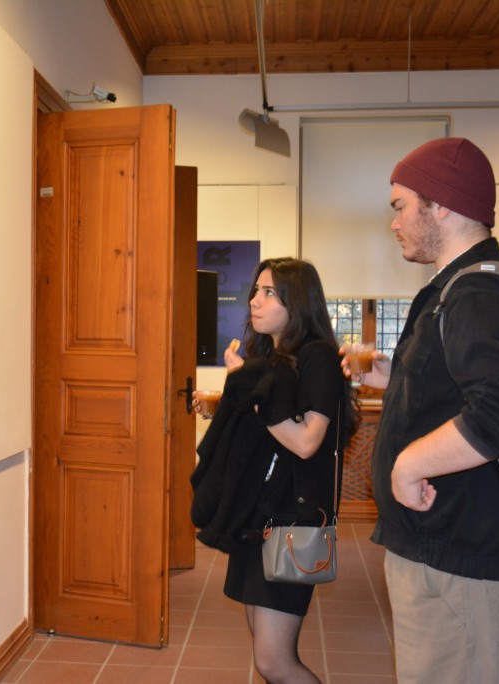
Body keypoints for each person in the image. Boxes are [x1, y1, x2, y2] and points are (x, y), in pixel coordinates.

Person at [343, 137, 499, 683]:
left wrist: (408, 465)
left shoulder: (479, 292)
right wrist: (395, 377)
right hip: (443, 550)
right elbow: (462, 392)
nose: (394, 223)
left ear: (441, 204)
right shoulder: (458, 287)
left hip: (465, 558)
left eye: (400, 206)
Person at [190, 257, 356, 684]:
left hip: (292, 522)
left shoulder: (317, 356)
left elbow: (306, 441)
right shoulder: (272, 356)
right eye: (256, 291)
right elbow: (268, 436)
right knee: (265, 654)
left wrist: (253, 395)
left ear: (297, 302)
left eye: (269, 293)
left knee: (274, 662)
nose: (254, 301)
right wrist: (229, 409)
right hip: (257, 518)